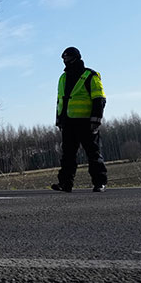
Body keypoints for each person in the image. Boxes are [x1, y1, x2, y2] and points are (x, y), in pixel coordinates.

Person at [52, 47, 107, 193]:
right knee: (67, 155)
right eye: (64, 59)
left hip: (86, 122)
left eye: (68, 58)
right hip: (68, 122)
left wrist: (96, 120)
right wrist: (59, 120)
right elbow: (60, 101)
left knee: (93, 153)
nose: (65, 61)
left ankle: (99, 182)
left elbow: (99, 99)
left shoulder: (90, 75)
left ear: (76, 58)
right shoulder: (63, 77)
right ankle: (65, 183)